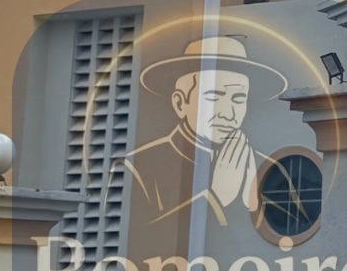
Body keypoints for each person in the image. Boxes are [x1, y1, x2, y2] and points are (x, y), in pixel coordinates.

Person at [116, 36, 287, 228]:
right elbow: (142, 239)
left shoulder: (270, 168)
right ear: (180, 103)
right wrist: (216, 198)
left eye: (238, 99)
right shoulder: (138, 167)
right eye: (213, 97)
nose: (228, 114)